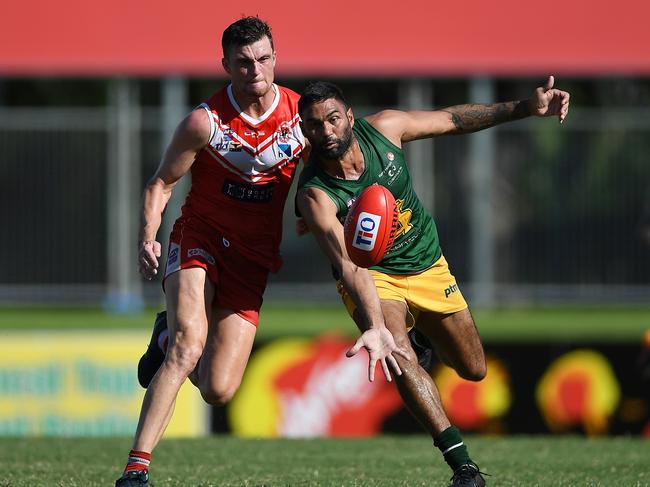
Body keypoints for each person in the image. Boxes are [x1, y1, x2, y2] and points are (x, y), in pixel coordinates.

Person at [115, 18, 406, 487]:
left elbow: (329, 173)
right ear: (226, 65)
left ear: (276, 57)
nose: (255, 69)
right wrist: (148, 236)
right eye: (244, 61)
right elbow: (162, 183)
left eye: (264, 58)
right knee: (192, 346)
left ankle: (164, 337)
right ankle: (136, 469)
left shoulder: (301, 117)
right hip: (200, 236)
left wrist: (313, 211)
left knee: (218, 389)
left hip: (253, 257)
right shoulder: (203, 122)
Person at [295, 79, 570, 487]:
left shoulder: (386, 128)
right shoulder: (316, 195)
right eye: (315, 125)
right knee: (396, 351)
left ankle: (418, 338)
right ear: (306, 130)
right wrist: (375, 327)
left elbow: (453, 120)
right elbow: (351, 266)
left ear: (349, 116)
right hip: (374, 277)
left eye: (333, 118)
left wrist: (527, 107)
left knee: (473, 369)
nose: (327, 131)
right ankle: (463, 465)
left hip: (427, 265)